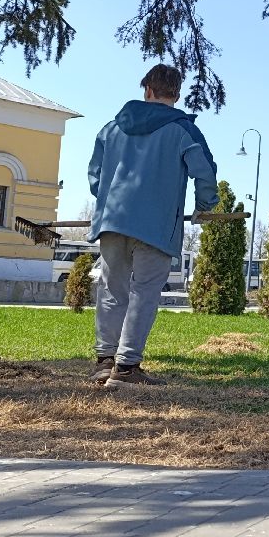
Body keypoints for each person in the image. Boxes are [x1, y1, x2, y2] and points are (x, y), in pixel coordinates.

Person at [88, 64, 218, 389]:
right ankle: (127, 367)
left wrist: (108, 199)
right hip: (156, 226)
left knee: (112, 290)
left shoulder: (110, 128)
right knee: (144, 293)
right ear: (175, 94)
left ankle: (105, 362)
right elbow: (204, 172)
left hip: (112, 220)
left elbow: (94, 175)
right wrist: (204, 206)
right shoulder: (183, 130)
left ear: (147, 90)